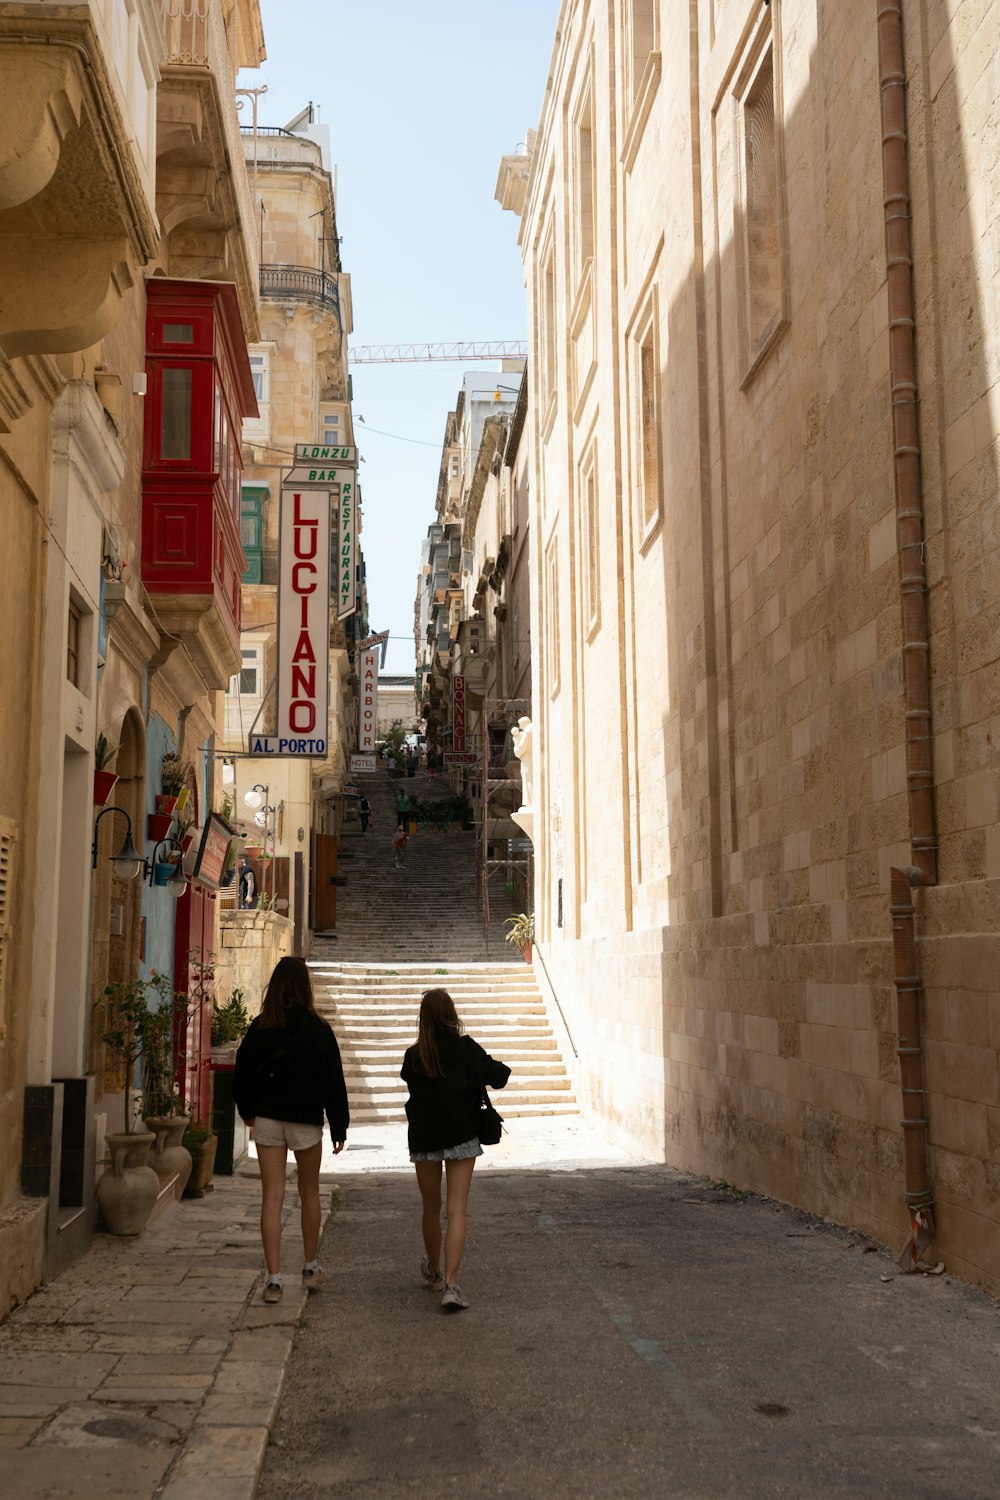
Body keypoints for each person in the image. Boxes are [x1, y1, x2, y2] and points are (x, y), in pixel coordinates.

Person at [233, 956, 349, 1304]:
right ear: (304, 986)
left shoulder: (260, 1027)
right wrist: (339, 1125)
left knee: (272, 1197)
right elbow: (333, 1080)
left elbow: (242, 1072)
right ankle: (310, 1267)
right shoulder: (319, 1029)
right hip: (305, 1120)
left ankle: (273, 1279)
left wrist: (247, 1111)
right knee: (309, 1193)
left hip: (268, 1118)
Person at [400, 988, 510, 1312]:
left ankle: (433, 1272)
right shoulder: (467, 1049)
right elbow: (498, 1076)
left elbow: (412, 1082)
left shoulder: (414, 1056)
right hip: (462, 1136)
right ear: (451, 1015)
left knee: (430, 1208)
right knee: (457, 1210)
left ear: (423, 1019)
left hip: (425, 1139)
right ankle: (451, 1283)